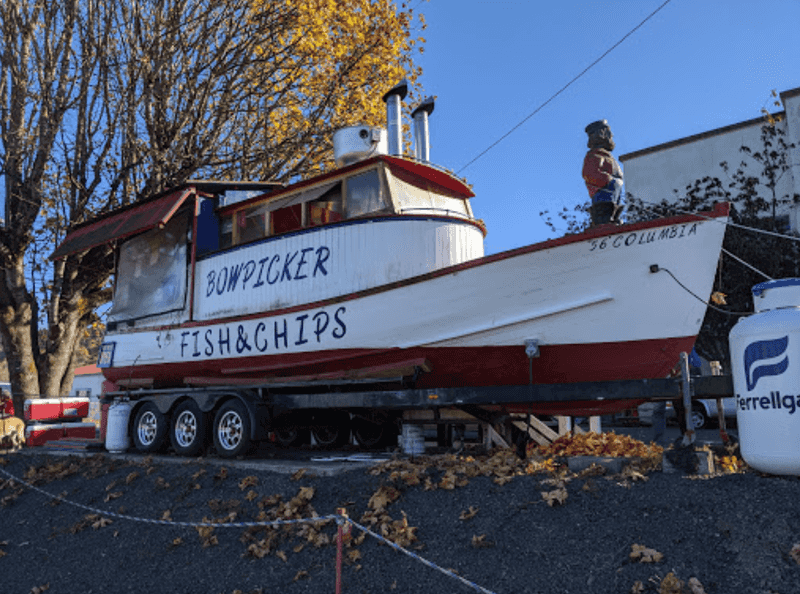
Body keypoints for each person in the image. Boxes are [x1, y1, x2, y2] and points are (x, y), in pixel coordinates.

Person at [582, 120, 623, 226]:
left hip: (614, 194)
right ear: (601, 134)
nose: (612, 136)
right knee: (604, 212)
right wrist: (609, 180)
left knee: (614, 209)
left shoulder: (607, 155)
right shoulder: (594, 154)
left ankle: (613, 218)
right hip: (604, 193)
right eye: (609, 133)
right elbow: (589, 173)